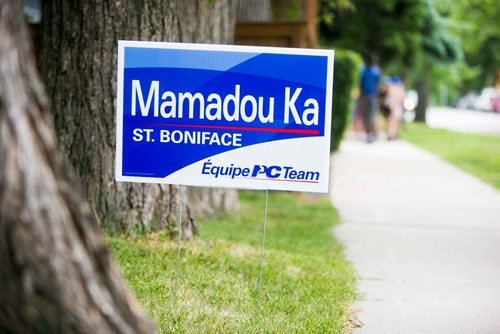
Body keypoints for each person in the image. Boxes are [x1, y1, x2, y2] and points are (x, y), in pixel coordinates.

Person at [359, 53, 381, 143]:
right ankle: (368, 133)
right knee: (365, 116)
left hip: (372, 96)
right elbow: (360, 82)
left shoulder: (375, 71)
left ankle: (372, 133)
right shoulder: (363, 70)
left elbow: (377, 84)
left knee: (371, 116)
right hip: (364, 95)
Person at [379, 76, 405, 140]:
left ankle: (390, 134)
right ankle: (391, 134)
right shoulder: (397, 89)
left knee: (391, 121)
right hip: (393, 107)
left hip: (392, 107)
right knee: (392, 121)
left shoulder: (391, 88)